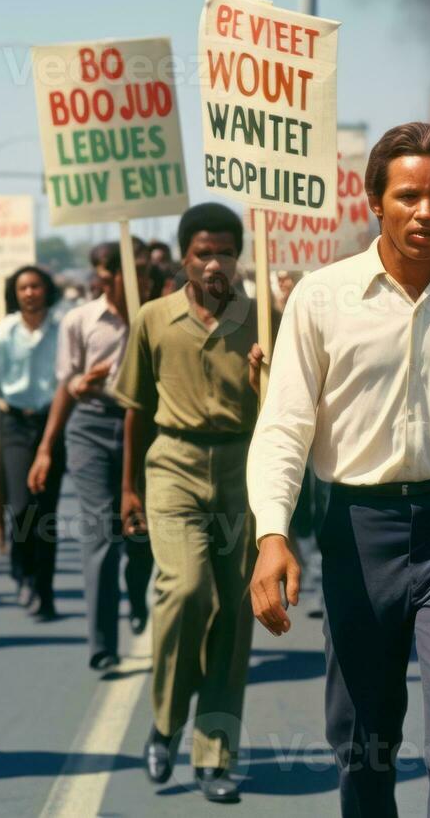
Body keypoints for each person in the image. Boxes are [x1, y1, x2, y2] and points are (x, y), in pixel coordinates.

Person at [248, 123, 430, 814]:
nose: (425, 210)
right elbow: (285, 425)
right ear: (373, 199)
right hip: (356, 527)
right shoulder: (321, 297)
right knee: (362, 734)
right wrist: (270, 534)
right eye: (408, 194)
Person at [115, 205, 263, 804]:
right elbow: (133, 408)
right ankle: (165, 722)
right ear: (184, 257)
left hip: (241, 469)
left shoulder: (263, 321)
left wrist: (264, 373)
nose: (215, 263)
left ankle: (214, 755)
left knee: (234, 613)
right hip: (172, 465)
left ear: (239, 256)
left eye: (226, 251)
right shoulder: (154, 318)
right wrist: (128, 488)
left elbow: (285, 406)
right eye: (204, 251)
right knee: (185, 590)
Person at [30, 243, 153, 668]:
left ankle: (138, 596)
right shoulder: (80, 321)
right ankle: (102, 645)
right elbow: (68, 386)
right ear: (111, 276)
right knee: (101, 533)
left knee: (141, 531)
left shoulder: (156, 317)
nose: (144, 280)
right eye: (133, 272)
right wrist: (47, 447)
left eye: (148, 272)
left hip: (148, 429)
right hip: (92, 427)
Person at [0, 266, 68, 622]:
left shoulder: (63, 329)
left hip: (52, 423)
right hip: (16, 422)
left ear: (46, 290)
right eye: (23, 288)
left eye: (36, 286)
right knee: (21, 507)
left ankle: (44, 592)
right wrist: (10, 404)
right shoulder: (1, 334)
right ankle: (22, 571)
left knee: (45, 512)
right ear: (14, 294)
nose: (30, 293)